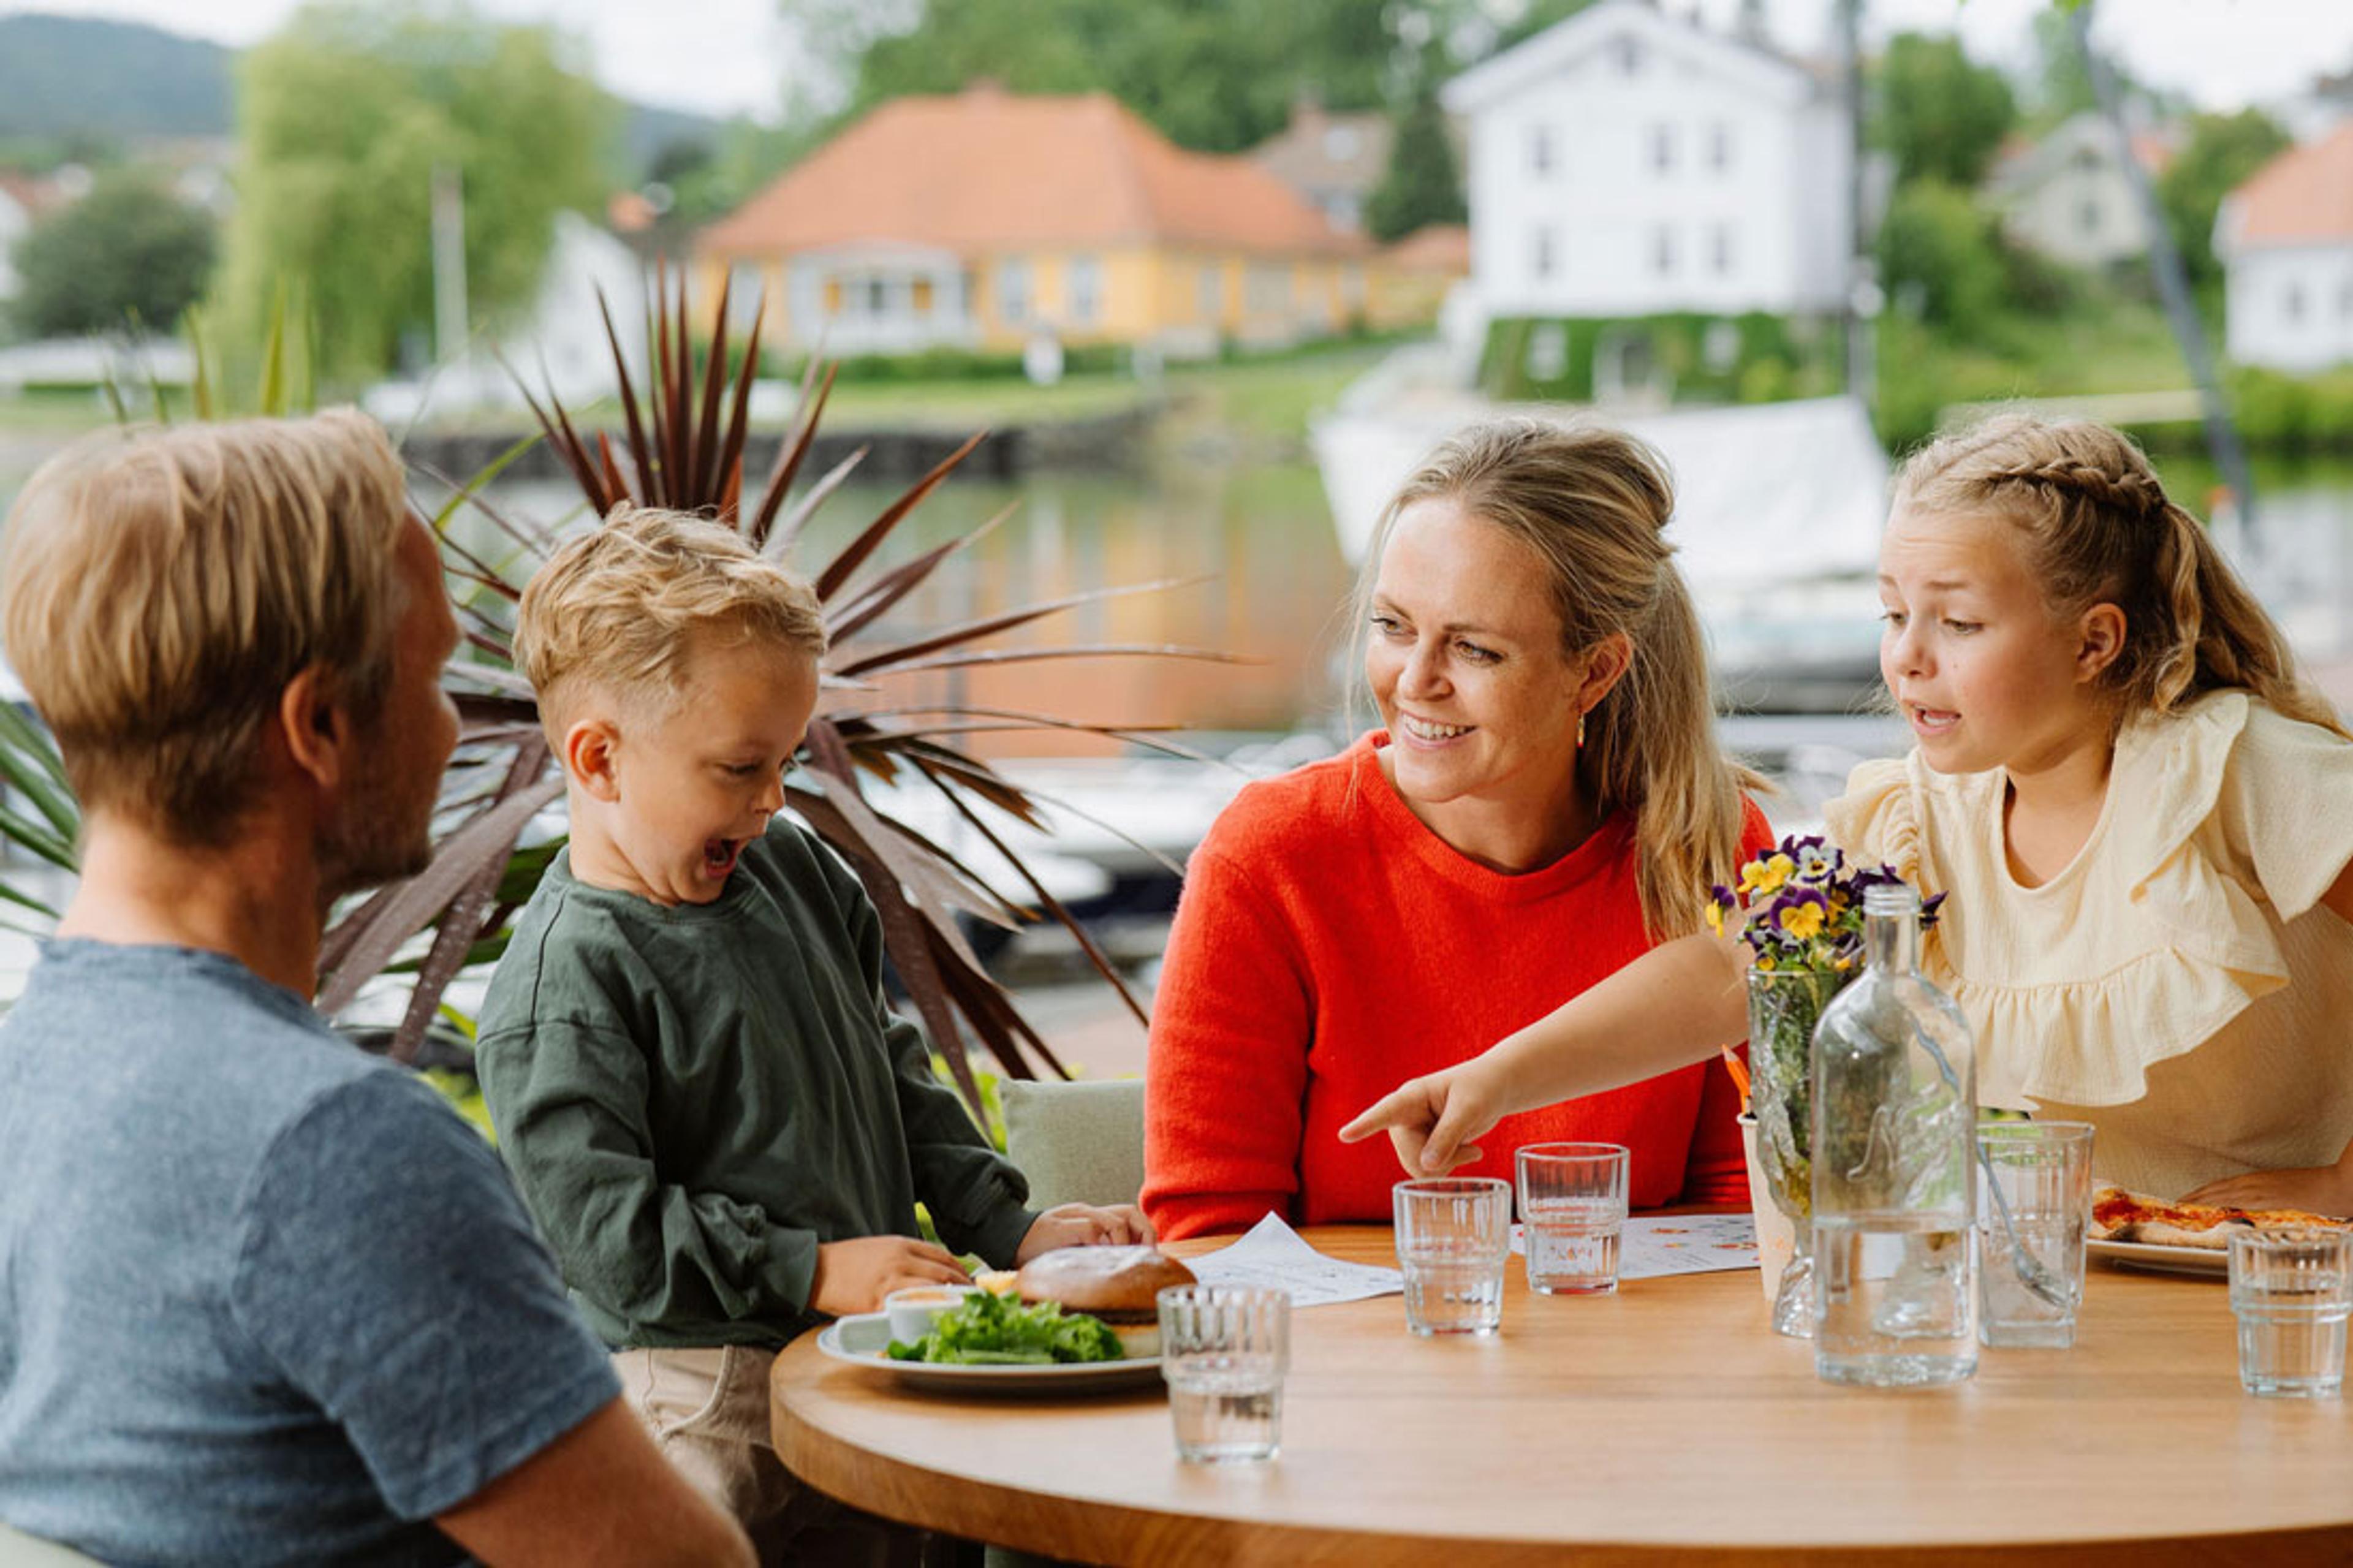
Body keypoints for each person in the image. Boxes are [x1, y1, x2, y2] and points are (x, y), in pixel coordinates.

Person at [0, 414, 751, 1567]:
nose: (459, 727)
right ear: (319, 725)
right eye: (439, 674)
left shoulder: (28, 1074)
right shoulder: (338, 1155)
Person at [1345, 413, 2353, 1216]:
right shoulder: (1922, 817)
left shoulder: (2229, 770)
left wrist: (2343, 1188)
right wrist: (1495, 1078)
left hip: (2300, 1280)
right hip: (2094, 1275)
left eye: (1957, 623)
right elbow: (1739, 968)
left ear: (2094, 642)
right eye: (1892, 613)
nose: (1908, 657)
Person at [475, 506, 1150, 1558]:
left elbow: (894, 1072)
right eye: (740, 768)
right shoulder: (560, 986)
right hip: (703, 1400)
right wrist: (812, 1270)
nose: (773, 798)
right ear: (599, 759)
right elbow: (610, 1245)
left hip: (862, 1353)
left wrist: (1006, 1226)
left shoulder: (795, 869)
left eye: (786, 759)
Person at [1142, 419, 1773, 1241]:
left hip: (1634, 1364)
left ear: (1595, 670)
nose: (1414, 681)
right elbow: (1211, 1230)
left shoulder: (1708, 850)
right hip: (1357, 1367)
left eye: (1474, 649)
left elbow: (1741, 1209)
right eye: (1394, 626)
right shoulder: (1270, 856)